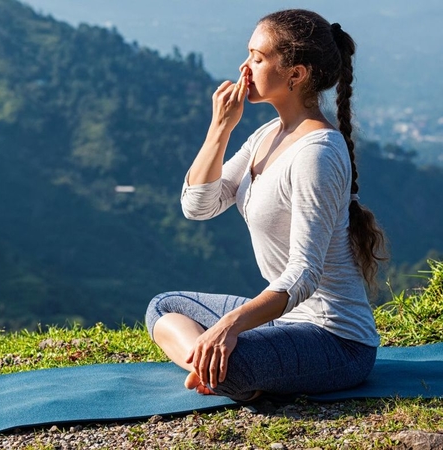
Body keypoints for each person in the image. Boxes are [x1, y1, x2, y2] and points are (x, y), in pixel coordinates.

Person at [145, 9, 388, 401]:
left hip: (337, 342)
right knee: (164, 307)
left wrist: (230, 326)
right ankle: (214, 370)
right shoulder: (266, 135)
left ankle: (224, 371)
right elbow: (198, 205)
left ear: (296, 74)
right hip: (285, 323)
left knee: (232, 358)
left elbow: (303, 274)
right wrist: (220, 128)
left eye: (258, 58)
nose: (245, 67)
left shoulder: (317, 154)